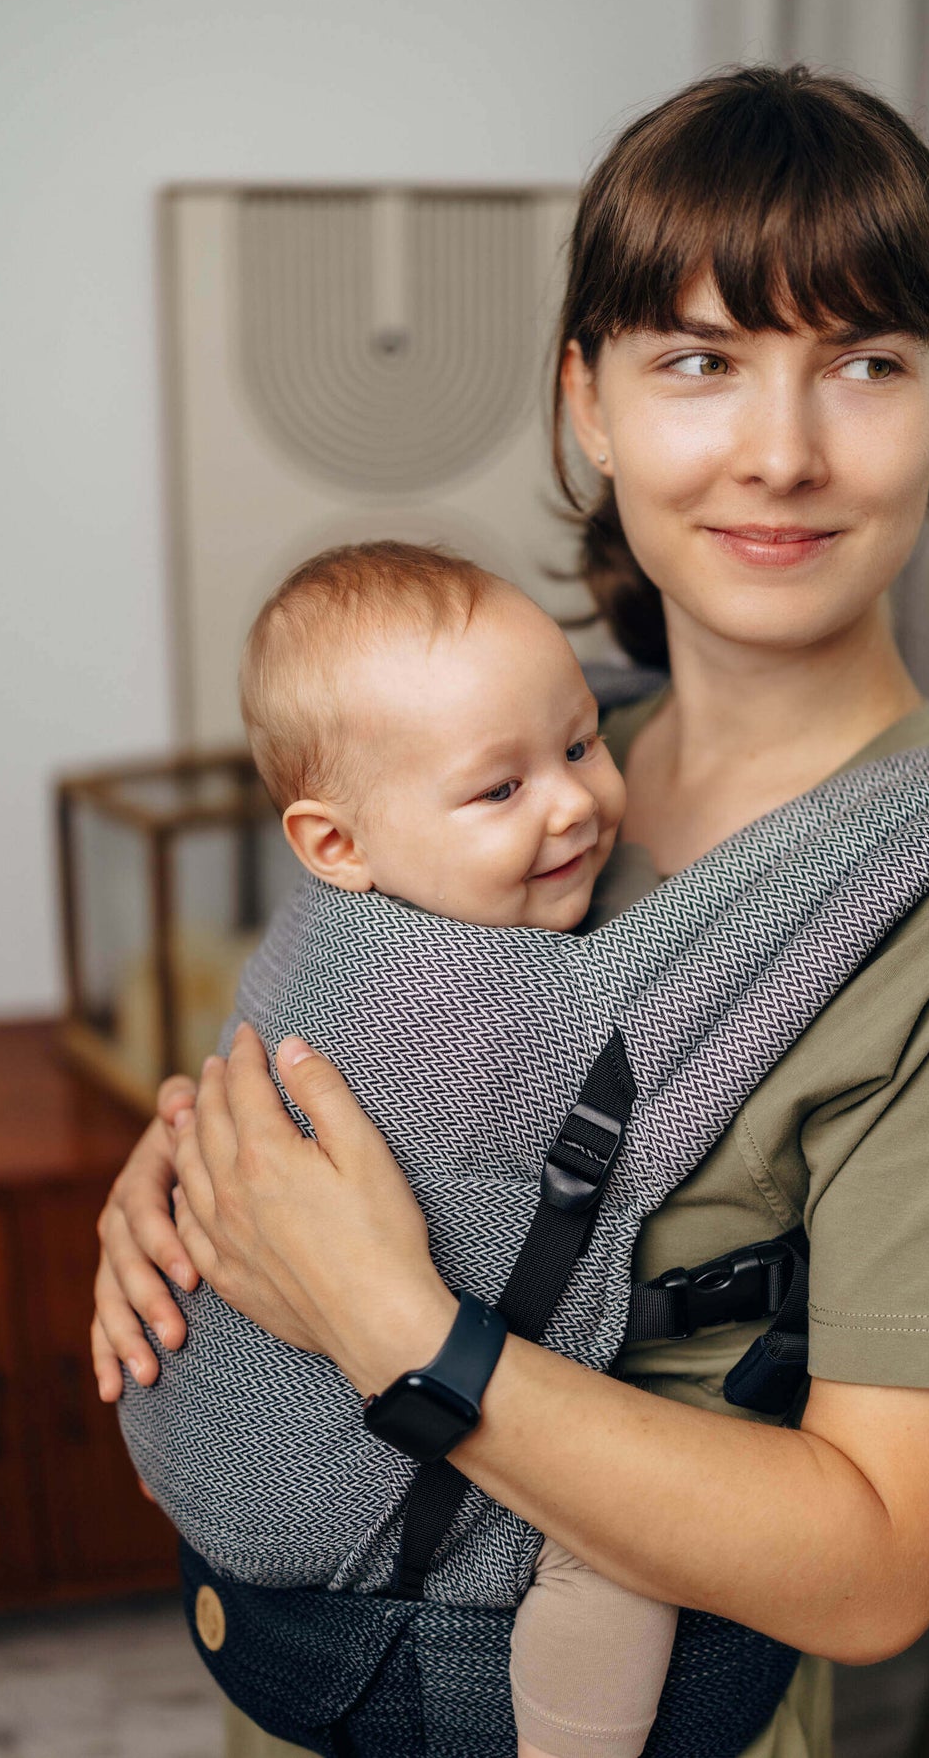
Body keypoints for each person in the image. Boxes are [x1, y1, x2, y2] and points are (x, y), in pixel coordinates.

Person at [92, 65, 929, 1758]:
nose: (778, 453)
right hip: (290, 1694)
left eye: (861, 364)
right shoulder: (511, 785)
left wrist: (384, 1322)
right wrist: (198, 1170)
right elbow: (350, 1060)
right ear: (585, 399)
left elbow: (869, 1569)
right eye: (698, 362)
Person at [228, 533, 680, 1758]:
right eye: (501, 790)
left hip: (290, 1470)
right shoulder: (461, 1007)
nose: (575, 800)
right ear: (336, 848)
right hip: (367, 1455)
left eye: (581, 742)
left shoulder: (345, 922)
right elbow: (654, 1112)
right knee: (625, 1546)